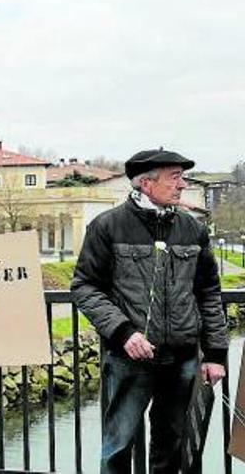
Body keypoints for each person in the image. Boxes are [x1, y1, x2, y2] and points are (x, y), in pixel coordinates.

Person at [71, 149, 228, 474]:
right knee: (118, 447)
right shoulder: (107, 226)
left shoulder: (193, 230)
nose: (182, 184)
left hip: (183, 359)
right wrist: (123, 332)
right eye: (175, 177)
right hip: (129, 358)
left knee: (172, 447)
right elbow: (85, 287)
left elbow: (209, 293)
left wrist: (215, 353)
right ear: (145, 183)